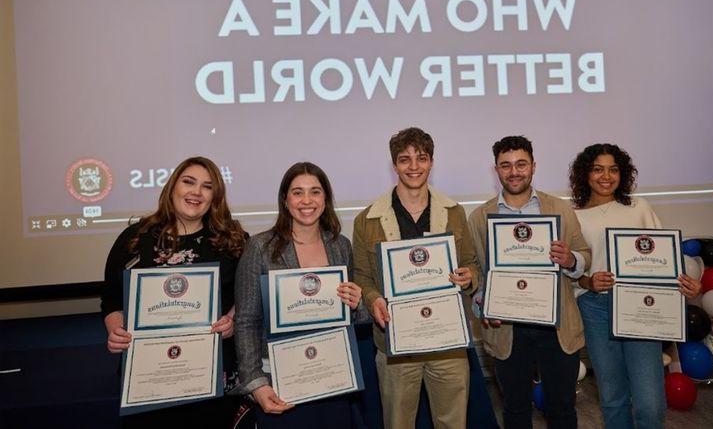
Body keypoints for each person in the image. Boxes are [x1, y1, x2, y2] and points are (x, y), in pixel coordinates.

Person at [101, 156, 247, 428]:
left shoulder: (233, 241)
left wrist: (233, 322)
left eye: (207, 186)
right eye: (188, 182)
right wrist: (116, 330)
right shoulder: (135, 238)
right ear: (172, 187)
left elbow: (247, 298)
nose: (196, 192)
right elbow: (110, 299)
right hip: (149, 377)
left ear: (215, 196)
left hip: (211, 375)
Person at [352, 127, 481, 429]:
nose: (413, 167)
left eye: (421, 158)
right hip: (395, 344)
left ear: (431, 162)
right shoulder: (367, 220)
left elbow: (471, 264)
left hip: (447, 342)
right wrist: (373, 300)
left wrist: (469, 276)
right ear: (394, 165)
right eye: (404, 159)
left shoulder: (454, 212)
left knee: (453, 423)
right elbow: (362, 276)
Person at [569, 143, 701, 429]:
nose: (606, 176)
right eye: (598, 169)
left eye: (613, 169)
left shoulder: (639, 207)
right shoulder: (573, 216)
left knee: (650, 401)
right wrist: (588, 281)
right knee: (613, 396)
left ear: (623, 173)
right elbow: (571, 270)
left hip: (643, 305)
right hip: (596, 307)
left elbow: (666, 259)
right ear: (585, 174)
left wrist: (687, 284)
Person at [467, 135, 590, 429]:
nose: (514, 172)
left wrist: (570, 259)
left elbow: (584, 254)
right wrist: (482, 300)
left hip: (557, 326)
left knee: (562, 409)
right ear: (496, 170)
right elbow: (476, 272)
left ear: (533, 166)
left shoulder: (559, 208)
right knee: (515, 410)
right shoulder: (480, 216)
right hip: (507, 330)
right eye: (506, 165)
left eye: (521, 164)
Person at [235, 162, 363, 428]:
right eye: (297, 192)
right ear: (285, 199)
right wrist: (256, 383)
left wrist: (356, 303)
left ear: (325, 199)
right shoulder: (260, 247)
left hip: (332, 376)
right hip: (279, 381)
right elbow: (246, 320)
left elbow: (352, 317)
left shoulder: (341, 246)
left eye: (315, 192)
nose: (307, 200)